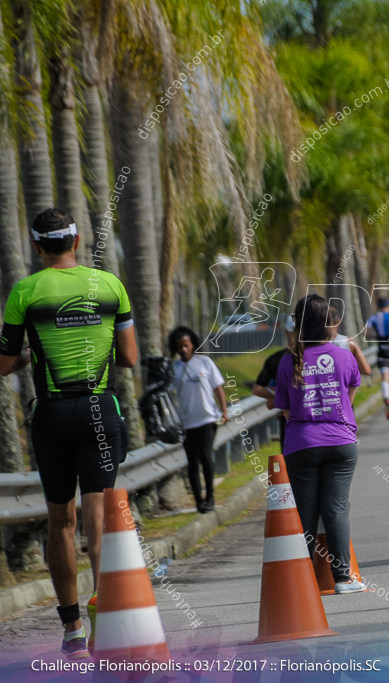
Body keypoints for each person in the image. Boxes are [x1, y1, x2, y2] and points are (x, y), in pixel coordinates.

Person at [0, 209, 137, 659]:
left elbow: (5, 364)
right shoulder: (110, 286)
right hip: (100, 407)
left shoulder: (25, 291)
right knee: (98, 520)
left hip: (52, 414)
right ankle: (108, 624)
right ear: (76, 240)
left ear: (37, 246)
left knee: (61, 522)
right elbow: (130, 357)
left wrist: (29, 355)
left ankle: (73, 631)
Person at [275, 294, 364, 593]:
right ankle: (341, 578)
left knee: (305, 513)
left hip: (301, 444)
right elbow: (349, 397)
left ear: (298, 325)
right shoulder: (344, 355)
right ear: (329, 324)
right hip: (340, 440)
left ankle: (301, 585)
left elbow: (285, 409)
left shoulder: (288, 360)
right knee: (336, 509)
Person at [169, 326, 229, 513]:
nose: (183, 350)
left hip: (207, 419)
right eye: (180, 347)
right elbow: (169, 393)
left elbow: (218, 387)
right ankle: (198, 501)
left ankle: (210, 495)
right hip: (187, 423)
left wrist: (224, 411)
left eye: (186, 345)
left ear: (193, 344)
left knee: (205, 456)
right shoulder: (175, 369)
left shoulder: (204, 362)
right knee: (192, 462)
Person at [253, 317, 297, 444]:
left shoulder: (277, 359)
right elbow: (258, 390)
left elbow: (258, 390)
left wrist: (279, 396)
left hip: (289, 422)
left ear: (286, 332)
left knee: (292, 462)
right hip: (316, 420)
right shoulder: (317, 355)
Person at [365, 297, 389, 419]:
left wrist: (376, 337)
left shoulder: (373, 318)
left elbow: (366, 333)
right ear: (388, 305)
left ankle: (386, 399)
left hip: (382, 350)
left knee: (385, 377)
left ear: (378, 306)